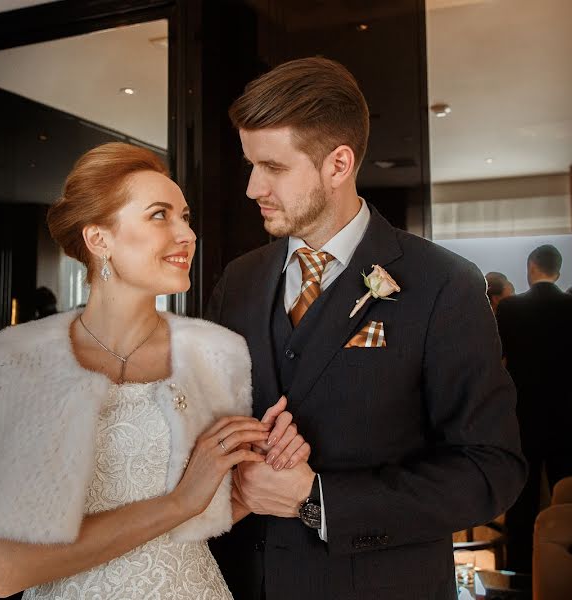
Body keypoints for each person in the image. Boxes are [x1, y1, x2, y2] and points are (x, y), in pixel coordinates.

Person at [0, 143, 311, 600]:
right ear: (99, 239)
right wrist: (180, 501)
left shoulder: (216, 353)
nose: (186, 234)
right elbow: (5, 570)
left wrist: (264, 465)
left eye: (185, 216)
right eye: (160, 215)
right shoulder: (26, 366)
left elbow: (211, 511)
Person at [206, 57, 526, 600]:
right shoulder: (238, 280)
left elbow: (490, 470)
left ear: (339, 163)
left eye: (274, 167)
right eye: (249, 164)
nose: (252, 187)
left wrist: (317, 499)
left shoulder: (444, 284)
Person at [495, 244, 572, 572]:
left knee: (521, 499)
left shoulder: (511, 309)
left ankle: (519, 572)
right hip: (565, 414)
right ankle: (571, 568)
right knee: (569, 498)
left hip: (523, 414)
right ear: (558, 271)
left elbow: (496, 360)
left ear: (531, 267)